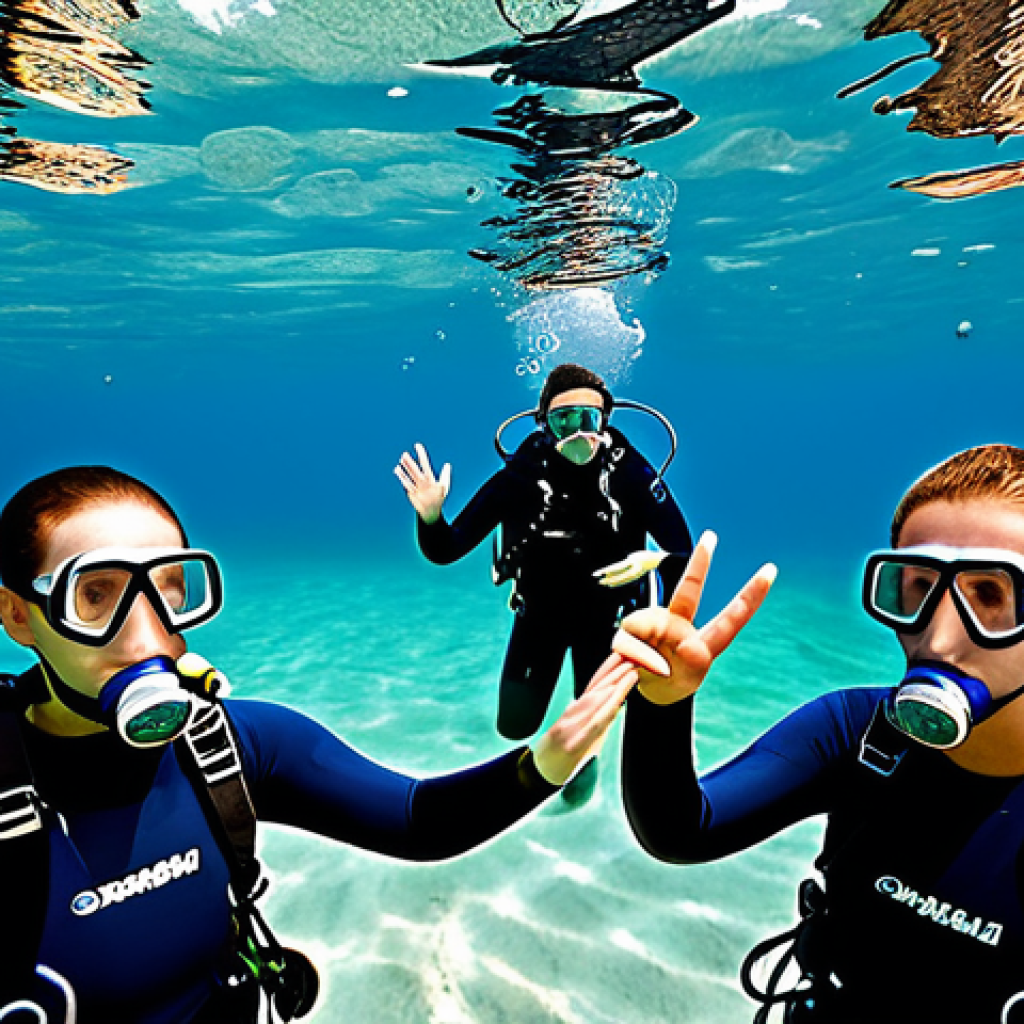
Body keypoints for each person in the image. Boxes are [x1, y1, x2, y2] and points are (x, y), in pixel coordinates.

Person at [0, 465, 639, 1024]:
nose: (147, 636)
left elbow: (417, 821)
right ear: (18, 614)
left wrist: (546, 762)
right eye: (95, 595)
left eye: (170, 590)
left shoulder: (229, 744)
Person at [614, 443, 1024, 1023]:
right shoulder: (860, 731)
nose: (937, 639)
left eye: (990, 594)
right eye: (917, 588)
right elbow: (681, 832)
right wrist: (662, 701)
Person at [395, 363, 693, 805]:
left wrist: (658, 559)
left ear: (606, 420)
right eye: (563, 420)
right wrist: (431, 516)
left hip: (609, 621)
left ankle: (585, 759)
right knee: (514, 727)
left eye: (589, 419)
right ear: (544, 424)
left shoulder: (630, 472)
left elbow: (683, 551)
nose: (579, 433)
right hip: (539, 617)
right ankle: (543, 765)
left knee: (592, 716)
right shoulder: (519, 477)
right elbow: (447, 549)